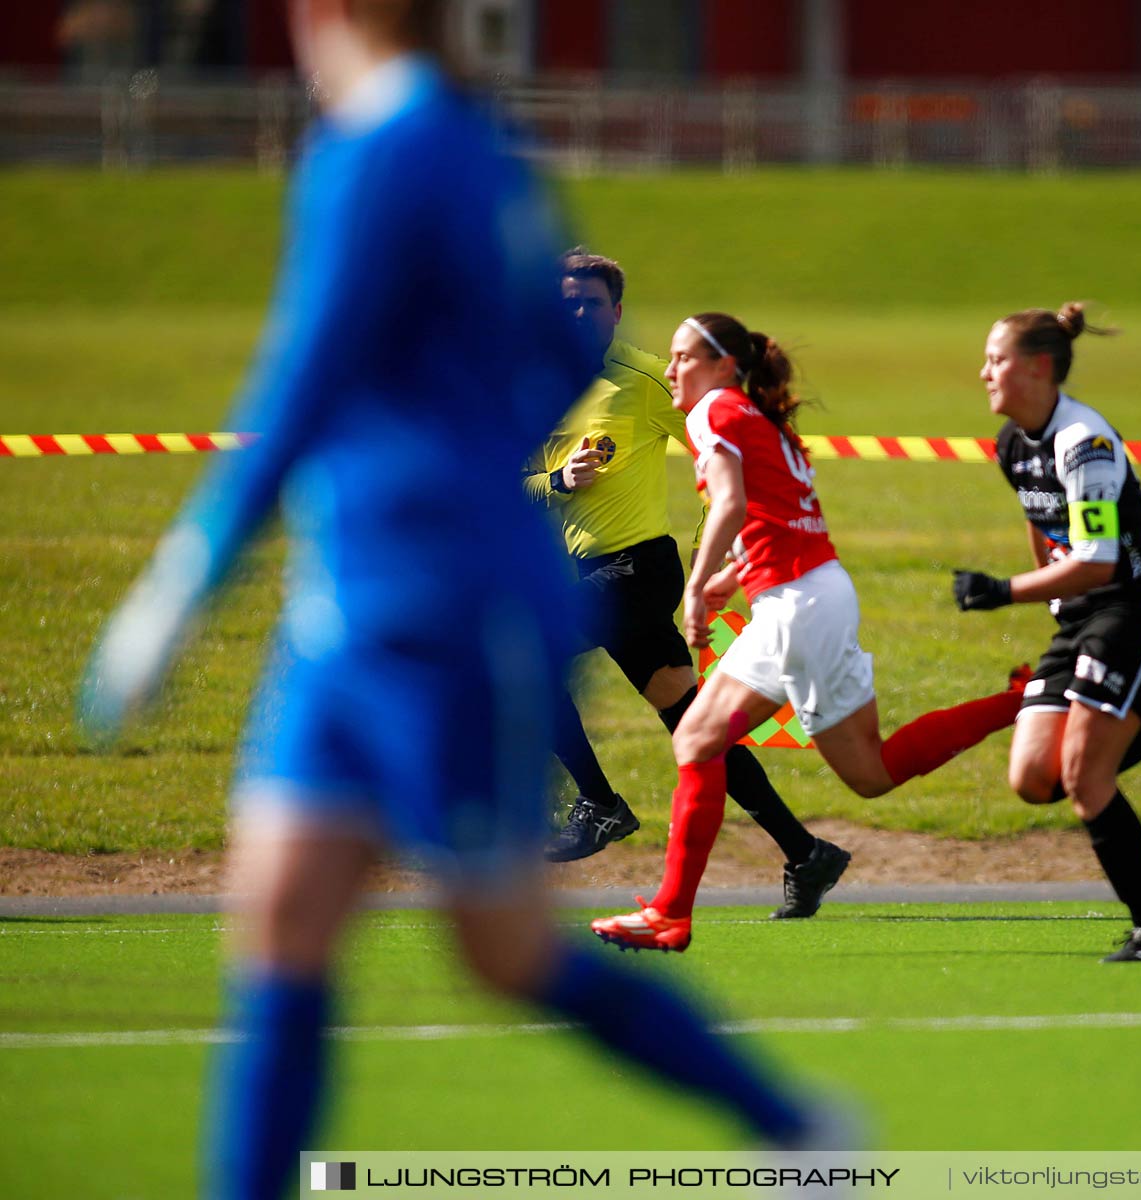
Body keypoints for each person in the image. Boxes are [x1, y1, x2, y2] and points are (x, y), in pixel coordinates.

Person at [78, 4, 830, 1197]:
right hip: (347, 603)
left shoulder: (390, 149)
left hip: (450, 607)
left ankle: (796, 1128)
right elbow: (548, 352)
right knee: (278, 922)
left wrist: (188, 572)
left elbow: (306, 372)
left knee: (503, 951)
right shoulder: (480, 151)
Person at [590, 313, 1025, 953]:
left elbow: (733, 503)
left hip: (796, 604)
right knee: (870, 772)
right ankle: (1025, 696)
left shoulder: (715, 409)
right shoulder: (757, 418)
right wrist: (735, 575)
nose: (673, 369)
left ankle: (669, 913)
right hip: (813, 595)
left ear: (723, 366)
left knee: (698, 740)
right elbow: (778, 517)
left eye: (684, 357)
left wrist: (698, 581)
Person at [523, 250, 851, 919]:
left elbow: (733, 454)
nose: (577, 314)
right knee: (692, 722)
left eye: (591, 303)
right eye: (565, 302)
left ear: (616, 312)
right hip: (585, 574)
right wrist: (558, 482)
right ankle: (805, 852)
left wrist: (715, 552)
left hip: (638, 569)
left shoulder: (646, 382)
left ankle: (599, 806)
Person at [951, 302, 1141, 963]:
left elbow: (1097, 560)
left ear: (1036, 368)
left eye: (996, 360)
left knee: (1086, 779)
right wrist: (1048, 598)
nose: (983, 373)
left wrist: (1004, 592)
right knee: (1035, 780)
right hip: (1080, 612)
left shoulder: (1082, 441)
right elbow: (1041, 519)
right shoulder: (1012, 441)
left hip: (1130, 607)